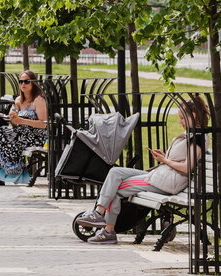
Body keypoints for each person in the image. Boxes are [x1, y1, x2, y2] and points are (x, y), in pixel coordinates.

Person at [76, 96, 208, 245]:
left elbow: (186, 167)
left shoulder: (198, 138)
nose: (180, 122)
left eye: (182, 118)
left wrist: (165, 161)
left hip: (168, 182)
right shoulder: (191, 135)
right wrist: (165, 157)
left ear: (194, 115)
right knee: (115, 172)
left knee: (117, 188)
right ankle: (98, 214)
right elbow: (181, 161)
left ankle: (108, 230)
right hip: (162, 175)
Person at [0, 71, 48, 185]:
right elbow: (14, 115)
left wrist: (22, 121)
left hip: (35, 136)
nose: (23, 84)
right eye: (21, 82)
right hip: (19, 134)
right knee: (1, 131)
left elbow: (43, 124)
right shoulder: (19, 100)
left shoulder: (39, 100)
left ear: (33, 83)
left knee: (5, 139)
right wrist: (12, 116)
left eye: (26, 81)